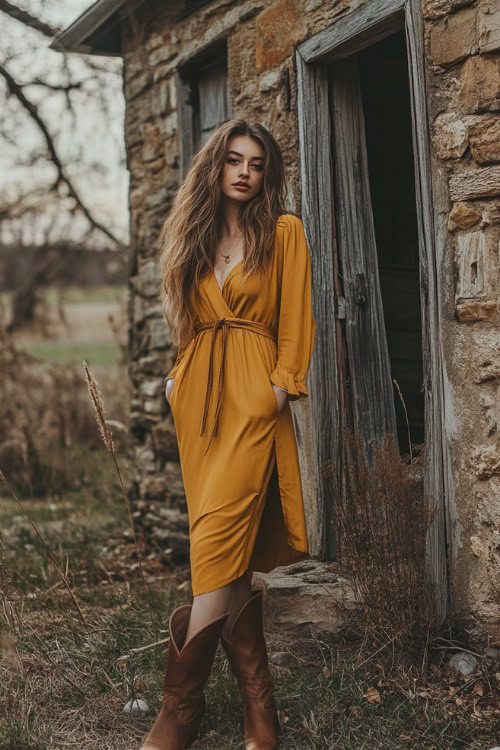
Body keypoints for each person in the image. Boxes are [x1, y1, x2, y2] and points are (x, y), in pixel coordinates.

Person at [140, 119, 316, 750]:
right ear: (215, 168)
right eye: (234, 160)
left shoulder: (284, 232)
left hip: (251, 396)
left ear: (267, 173)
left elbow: (296, 316)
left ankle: (179, 713)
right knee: (226, 551)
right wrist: (175, 375)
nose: (244, 171)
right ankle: (259, 712)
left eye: (257, 163)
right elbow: (190, 323)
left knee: (214, 543)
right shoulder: (198, 236)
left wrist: (281, 385)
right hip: (198, 402)